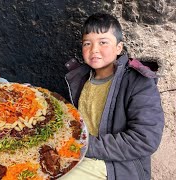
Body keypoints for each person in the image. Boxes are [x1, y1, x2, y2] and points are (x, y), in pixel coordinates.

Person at [64, 13, 164, 180]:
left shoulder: (138, 82)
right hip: (82, 154)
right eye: (87, 43)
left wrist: (83, 145)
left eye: (103, 42)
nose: (94, 49)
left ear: (119, 47)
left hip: (118, 165)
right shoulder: (82, 78)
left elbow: (144, 139)